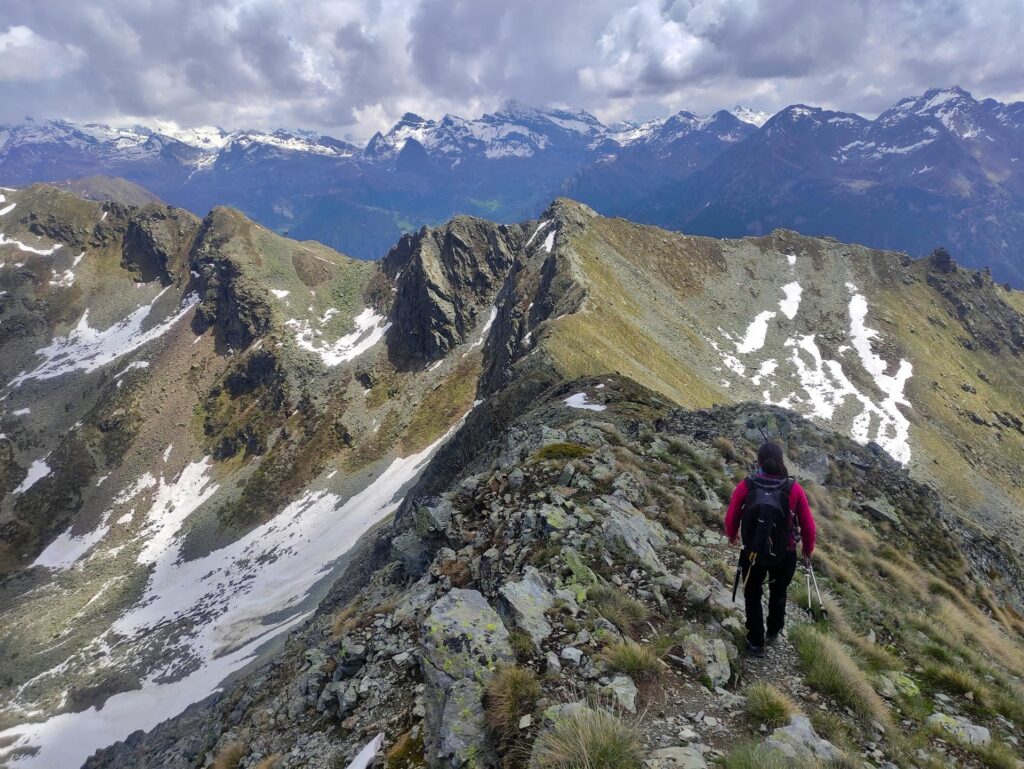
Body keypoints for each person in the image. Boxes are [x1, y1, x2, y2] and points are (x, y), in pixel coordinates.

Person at [724, 441, 815, 656]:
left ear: (758, 461)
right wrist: (807, 549)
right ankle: (774, 629)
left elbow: (732, 515)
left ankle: (755, 641)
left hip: (753, 551)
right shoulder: (794, 489)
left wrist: (732, 536)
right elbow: (808, 525)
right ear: (782, 462)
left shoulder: (747, 485)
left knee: (753, 593)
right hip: (786, 553)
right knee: (778, 591)